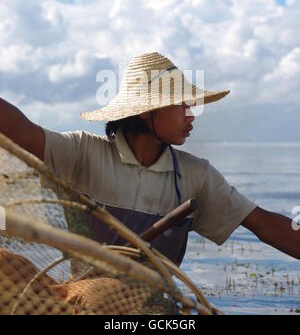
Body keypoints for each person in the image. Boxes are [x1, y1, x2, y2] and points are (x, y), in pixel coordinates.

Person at [0, 51, 299, 267]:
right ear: (146, 111)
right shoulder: (83, 153)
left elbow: (262, 223)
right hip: (86, 302)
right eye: (180, 104)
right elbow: (25, 135)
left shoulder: (196, 175)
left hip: (156, 308)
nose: (191, 113)